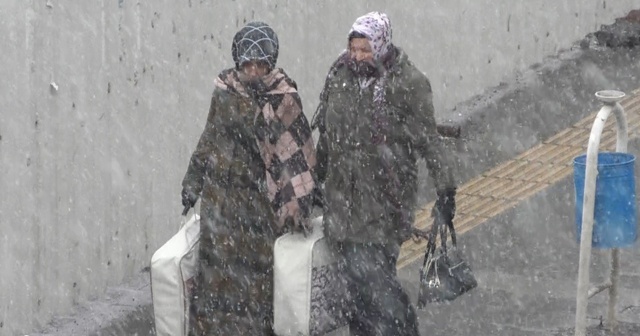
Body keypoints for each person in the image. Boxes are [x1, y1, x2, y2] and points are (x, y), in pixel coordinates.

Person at [311, 12, 457, 336]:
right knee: (355, 296)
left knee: (379, 289)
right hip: (341, 208)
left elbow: (429, 143)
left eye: (365, 49)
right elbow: (327, 138)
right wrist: (313, 183)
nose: (358, 56)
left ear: (381, 45)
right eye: (354, 48)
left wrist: (446, 192)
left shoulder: (407, 83)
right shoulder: (339, 76)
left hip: (383, 208)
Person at [181, 21, 316, 335]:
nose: (253, 71)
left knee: (254, 291)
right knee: (214, 288)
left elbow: (297, 156)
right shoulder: (225, 92)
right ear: (237, 61)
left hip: (257, 211)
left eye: (260, 64)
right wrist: (192, 180)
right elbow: (209, 137)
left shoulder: (283, 98)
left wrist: (298, 204)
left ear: (270, 63)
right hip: (219, 206)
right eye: (247, 63)